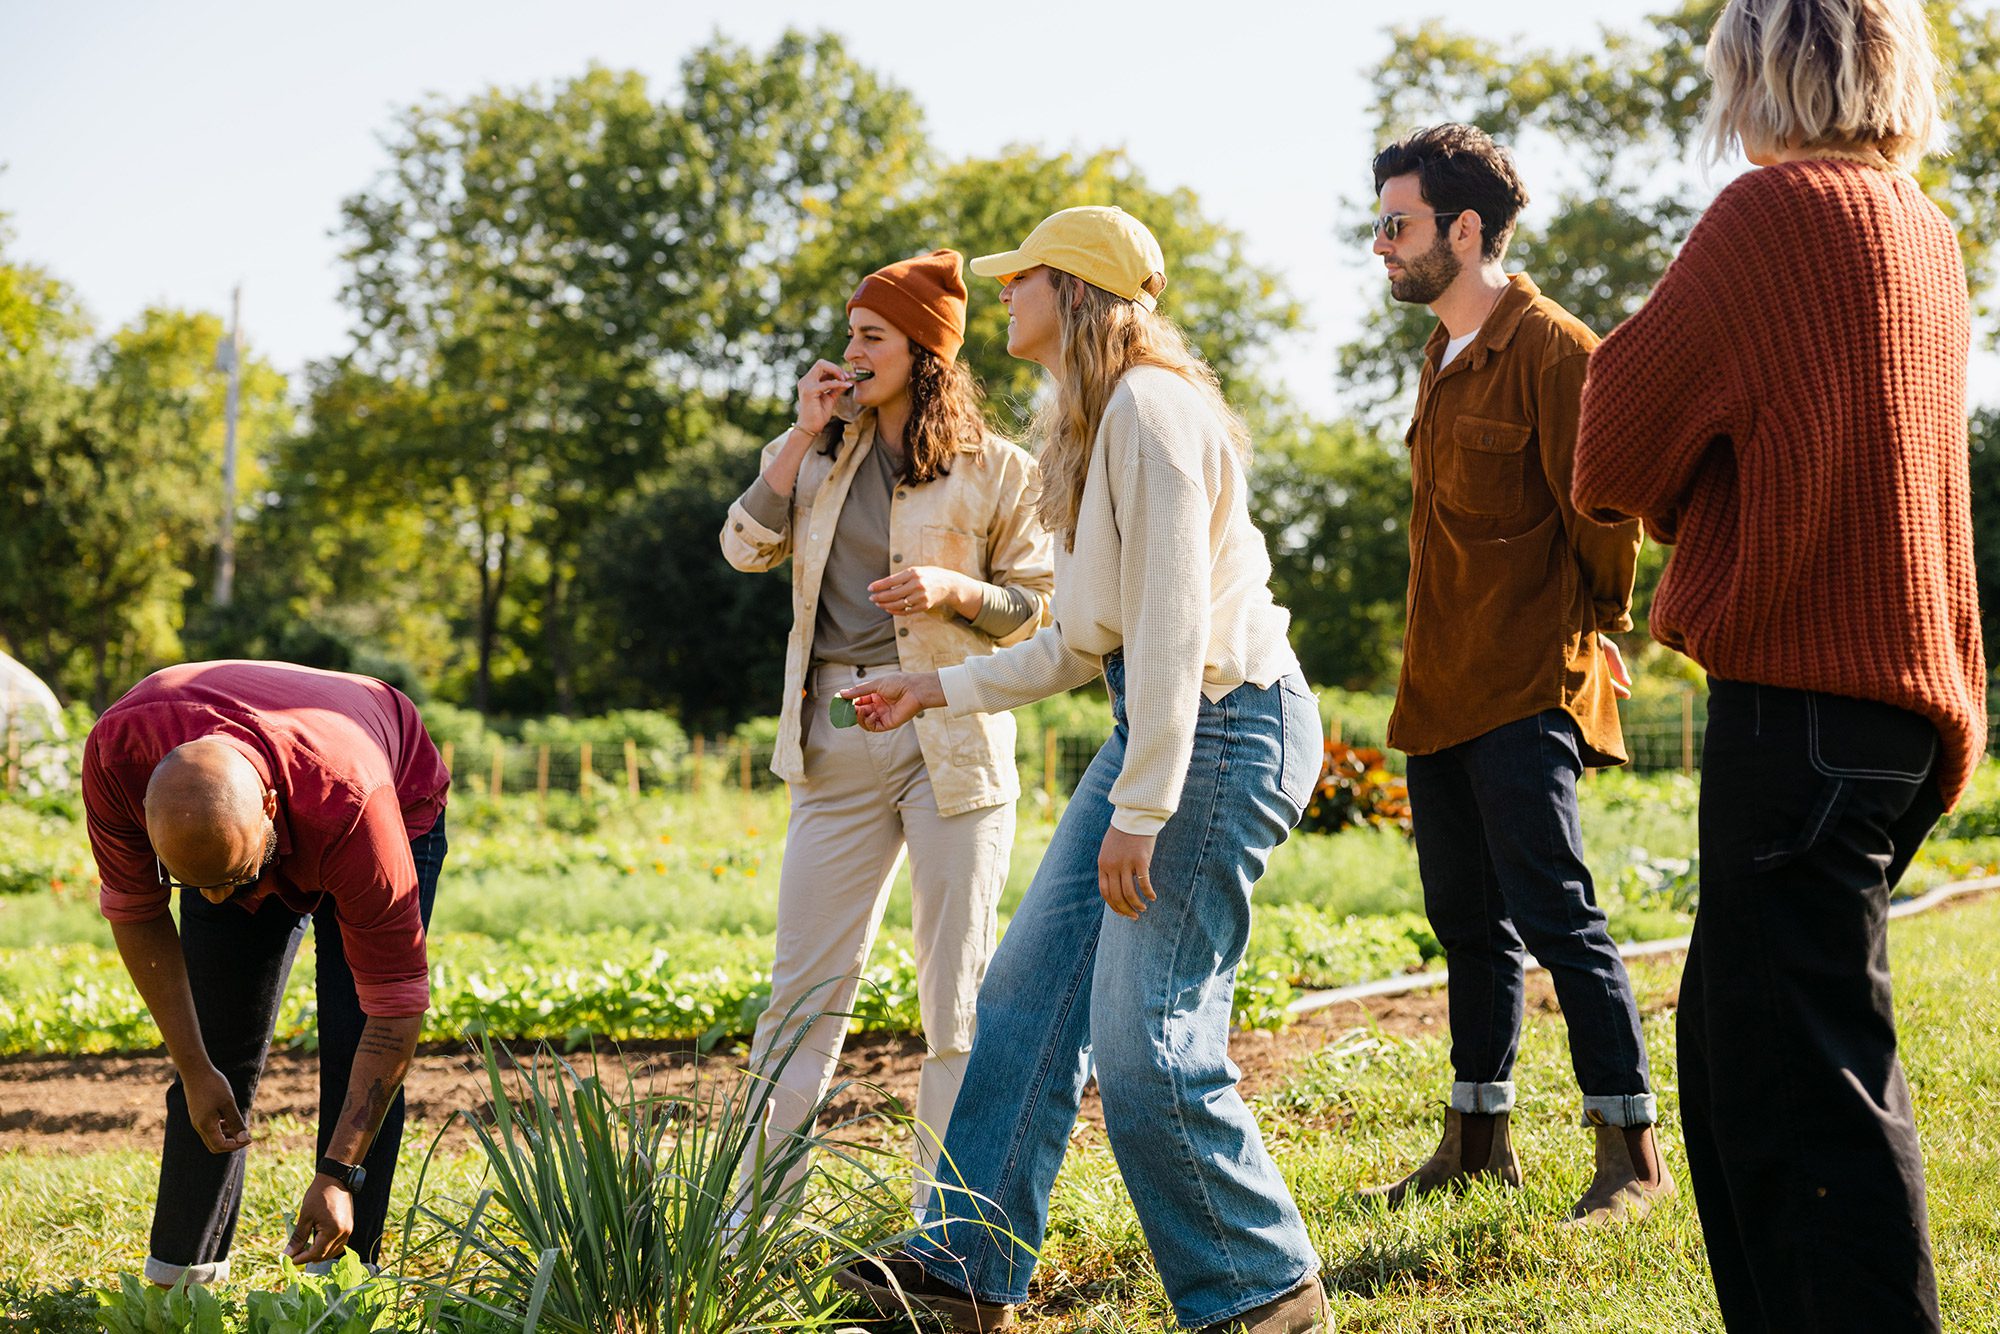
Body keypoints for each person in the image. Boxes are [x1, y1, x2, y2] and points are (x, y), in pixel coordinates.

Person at [833, 207, 1328, 1334]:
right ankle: (962, 1268)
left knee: (1146, 1037)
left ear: (1077, 291)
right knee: (1023, 998)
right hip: (1159, 725)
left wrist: (1141, 806)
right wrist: (935, 687)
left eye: (1023, 281)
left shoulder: (1151, 413)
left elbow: (1165, 633)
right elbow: (1080, 638)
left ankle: (1265, 1294)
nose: (1003, 297)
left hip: (1217, 723)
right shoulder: (1104, 419)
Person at [1573, 1, 1982, 1327]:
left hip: (1803, 698)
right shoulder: (1926, 230)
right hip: (1902, 710)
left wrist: (1714, 507)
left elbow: (1613, 443)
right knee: (1778, 1052)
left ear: (1755, 71)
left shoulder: (1773, 213)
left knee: (1795, 1092)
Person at [1357, 122, 1670, 1224]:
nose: (1379, 243)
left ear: (1464, 228)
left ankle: (1627, 1150)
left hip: (1527, 677)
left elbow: (1605, 517)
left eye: (1395, 224)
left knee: (1555, 911)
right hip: (1436, 685)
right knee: (1461, 917)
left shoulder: (1555, 351)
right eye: (1379, 223)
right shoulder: (1437, 355)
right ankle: (1475, 1138)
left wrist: (1590, 633)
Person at [719, 248, 1053, 1210]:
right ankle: (750, 1220)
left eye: (872, 336)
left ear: (924, 351)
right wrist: (794, 435)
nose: (852, 353)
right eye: (852, 336)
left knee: (957, 997)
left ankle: (941, 1227)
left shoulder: (1001, 470)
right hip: (833, 737)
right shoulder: (822, 450)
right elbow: (745, 546)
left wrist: (956, 590)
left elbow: (1041, 608)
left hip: (951, 739)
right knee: (803, 994)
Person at [81, 660, 450, 1284]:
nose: (220, 903)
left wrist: (338, 1175)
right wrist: (195, 1068)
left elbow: (394, 1010)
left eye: (234, 880)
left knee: (350, 1032)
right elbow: (137, 912)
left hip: (378, 791)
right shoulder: (119, 760)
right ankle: (180, 1282)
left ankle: (346, 1290)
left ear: (269, 811)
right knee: (216, 1041)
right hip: (240, 820)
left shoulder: (356, 807)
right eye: (199, 887)